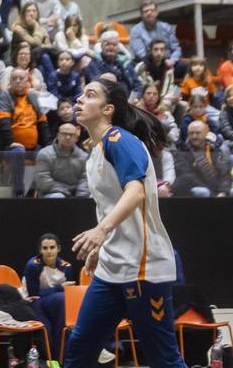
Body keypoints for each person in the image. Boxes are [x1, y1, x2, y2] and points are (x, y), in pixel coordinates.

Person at [65, 78, 187, 368]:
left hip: (144, 268)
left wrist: (101, 230)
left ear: (107, 109)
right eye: (81, 95)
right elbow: (110, 205)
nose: (80, 100)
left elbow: (136, 191)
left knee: (163, 359)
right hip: (111, 268)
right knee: (80, 347)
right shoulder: (94, 151)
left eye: (89, 95)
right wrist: (101, 244)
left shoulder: (119, 140)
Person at [0, 68, 49, 197]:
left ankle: (32, 191)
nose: (18, 81)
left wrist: (48, 145)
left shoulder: (31, 96)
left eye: (21, 78)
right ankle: (18, 192)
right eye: (14, 78)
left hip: (33, 147)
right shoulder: (4, 95)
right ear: (10, 82)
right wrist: (11, 142)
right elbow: (3, 123)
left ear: (27, 81)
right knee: (18, 152)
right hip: (8, 146)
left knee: (47, 154)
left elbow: (42, 122)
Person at [23, 233, 75, 348]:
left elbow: (69, 292)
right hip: (35, 302)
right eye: (45, 248)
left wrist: (60, 291)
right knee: (60, 298)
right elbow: (34, 295)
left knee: (65, 307)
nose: (49, 251)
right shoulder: (33, 265)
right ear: (40, 250)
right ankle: (51, 356)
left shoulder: (67, 267)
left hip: (58, 303)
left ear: (59, 249)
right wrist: (59, 288)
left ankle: (62, 357)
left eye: (52, 247)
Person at [173, 120, 231, 197]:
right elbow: (186, 176)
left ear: (206, 133)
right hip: (197, 189)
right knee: (203, 192)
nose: (194, 136)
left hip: (217, 188)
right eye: (191, 133)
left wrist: (223, 192)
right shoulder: (182, 151)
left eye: (198, 133)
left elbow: (224, 174)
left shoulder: (216, 149)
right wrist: (213, 194)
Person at [129, 0, 185, 79]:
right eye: (146, 11)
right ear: (142, 15)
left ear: (157, 12)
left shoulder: (167, 27)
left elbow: (176, 49)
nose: (149, 13)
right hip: (148, 63)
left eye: (152, 10)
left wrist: (172, 61)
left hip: (169, 62)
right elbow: (141, 53)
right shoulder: (135, 30)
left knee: (188, 66)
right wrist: (160, 62)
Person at [35, 123, 89, 198]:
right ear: (58, 135)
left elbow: (85, 179)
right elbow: (43, 181)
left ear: (76, 138)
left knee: (92, 198)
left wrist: (81, 196)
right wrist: (66, 193)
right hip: (51, 193)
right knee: (58, 197)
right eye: (64, 134)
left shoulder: (84, 156)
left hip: (76, 194)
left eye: (71, 135)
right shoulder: (44, 154)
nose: (67, 137)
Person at [135, 39, 177, 104]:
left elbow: (169, 89)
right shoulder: (142, 67)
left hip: (163, 100)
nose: (159, 53)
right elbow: (139, 88)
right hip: (145, 100)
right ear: (150, 51)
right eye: (156, 49)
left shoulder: (169, 68)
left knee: (182, 105)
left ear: (165, 51)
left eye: (162, 49)